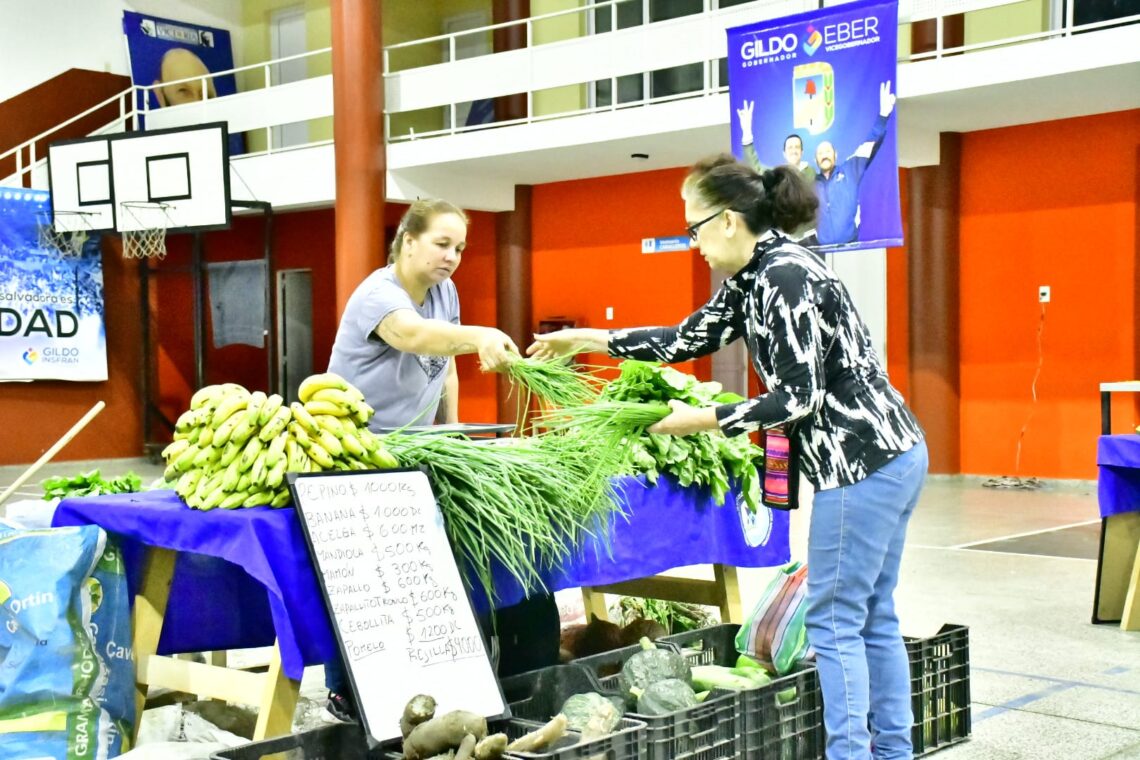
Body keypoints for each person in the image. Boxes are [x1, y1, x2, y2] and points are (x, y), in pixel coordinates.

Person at [529, 155, 927, 760]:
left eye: (694, 227)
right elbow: (684, 339)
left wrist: (694, 421)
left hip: (862, 463)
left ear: (730, 221)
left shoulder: (784, 279)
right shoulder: (755, 278)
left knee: (835, 621)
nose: (692, 242)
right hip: (890, 454)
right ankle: (892, 752)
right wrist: (585, 339)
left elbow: (798, 396)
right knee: (871, 616)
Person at [323, 198, 559, 719]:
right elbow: (413, 336)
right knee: (360, 571)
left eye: (459, 248)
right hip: (357, 452)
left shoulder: (443, 291)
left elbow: (445, 363)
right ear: (408, 241)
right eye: (441, 244)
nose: (452, 257)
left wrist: (451, 432)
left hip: (413, 448)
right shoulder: (377, 295)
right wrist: (479, 334)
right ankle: (342, 686)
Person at [813, 80, 896, 246]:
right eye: (820, 153)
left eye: (828, 151)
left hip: (851, 247)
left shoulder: (851, 168)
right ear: (816, 159)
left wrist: (883, 115)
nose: (824, 155)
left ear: (835, 155)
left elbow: (870, 143)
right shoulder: (810, 183)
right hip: (822, 249)